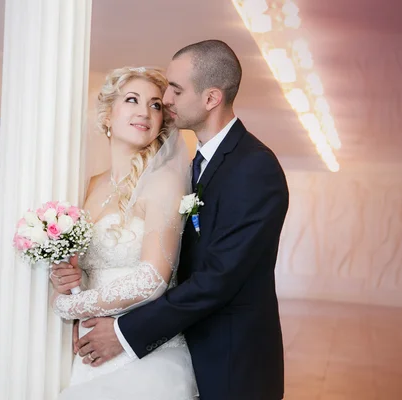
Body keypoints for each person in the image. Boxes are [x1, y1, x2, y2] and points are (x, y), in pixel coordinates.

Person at [55, 40, 289, 400]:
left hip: (229, 356)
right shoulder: (194, 165)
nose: (165, 102)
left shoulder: (254, 167)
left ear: (211, 98)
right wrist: (73, 282)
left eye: (174, 91)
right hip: (160, 335)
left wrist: (111, 326)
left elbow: (217, 278)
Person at [49, 66, 199, 399]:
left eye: (156, 104)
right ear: (107, 115)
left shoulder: (164, 182)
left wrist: (70, 307)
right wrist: (67, 280)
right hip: (88, 355)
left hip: (144, 354)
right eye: (132, 100)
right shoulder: (87, 187)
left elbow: (152, 279)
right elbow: (87, 272)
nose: (144, 111)